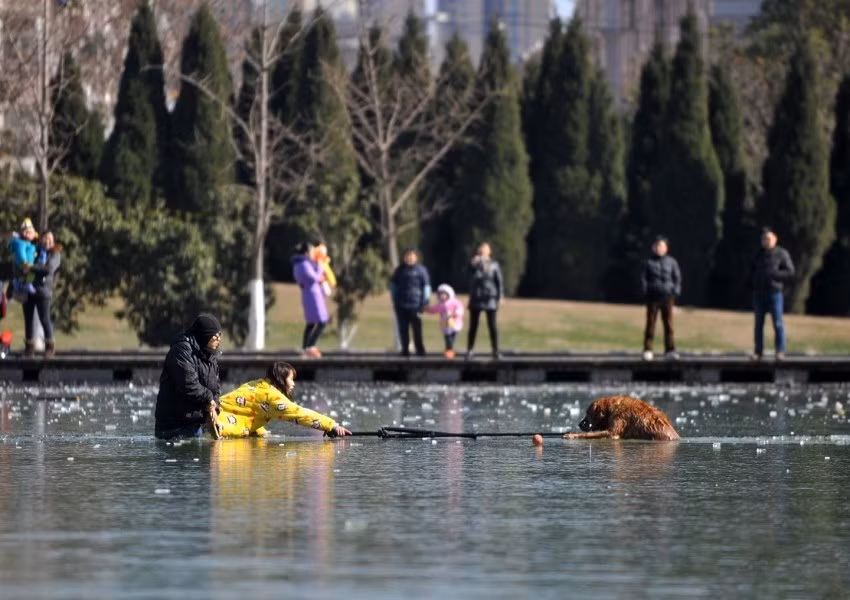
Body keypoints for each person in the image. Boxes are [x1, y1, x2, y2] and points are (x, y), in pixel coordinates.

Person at [215, 362, 352, 438]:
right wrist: (332, 425)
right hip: (217, 427)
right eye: (291, 379)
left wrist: (259, 432)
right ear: (281, 379)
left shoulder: (256, 385)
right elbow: (300, 414)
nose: (293, 384)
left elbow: (247, 412)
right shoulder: (272, 396)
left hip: (210, 416)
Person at [154, 314, 222, 440]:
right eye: (215, 336)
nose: (218, 339)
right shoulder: (181, 351)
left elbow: (215, 387)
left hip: (194, 425)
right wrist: (208, 398)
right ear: (205, 335)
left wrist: (214, 406)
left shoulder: (209, 356)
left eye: (220, 335)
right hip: (173, 429)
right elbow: (188, 384)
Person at [750, 227, 795, 360]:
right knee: (758, 323)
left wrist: (775, 275)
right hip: (759, 293)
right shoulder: (758, 254)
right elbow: (751, 270)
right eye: (763, 239)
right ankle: (758, 352)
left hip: (774, 293)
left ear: (775, 239)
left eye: (768, 239)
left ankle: (780, 351)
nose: (766, 242)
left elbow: (790, 271)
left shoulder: (781, 254)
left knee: (778, 322)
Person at [640, 235, 681, 361]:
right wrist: (645, 291)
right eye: (657, 246)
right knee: (650, 323)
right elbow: (643, 278)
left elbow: (677, 278)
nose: (659, 248)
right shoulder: (648, 262)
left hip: (667, 296)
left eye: (661, 246)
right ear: (653, 248)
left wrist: (675, 291)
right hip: (653, 296)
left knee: (669, 324)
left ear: (666, 248)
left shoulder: (672, 262)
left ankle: (670, 350)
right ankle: (648, 349)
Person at [24, 231, 61, 358]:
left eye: (50, 239)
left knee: (44, 319)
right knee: (28, 320)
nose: (47, 241)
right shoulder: (35, 251)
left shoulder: (55, 254)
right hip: (29, 289)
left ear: (53, 241)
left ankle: (49, 346)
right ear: (41, 240)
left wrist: (31, 267)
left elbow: (48, 269)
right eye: (45, 238)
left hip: (44, 292)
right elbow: (26, 262)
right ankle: (29, 347)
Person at [389, 248, 431, 356]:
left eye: (412, 256)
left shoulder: (421, 270)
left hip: (416, 305)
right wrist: (394, 300)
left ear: (416, 257)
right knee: (403, 329)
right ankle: (405, 350)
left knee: (417, 329)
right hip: (402, 304)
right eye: (408, 256)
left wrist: (425, 301)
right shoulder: (399, 270)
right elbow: (393, 286)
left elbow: (426, 286)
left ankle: (420, 350)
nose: (409, 258)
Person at [466, 242, 503, 359]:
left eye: (486, 249)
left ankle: (495, 350)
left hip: (490, 297)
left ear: (489, 251)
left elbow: (499, 281)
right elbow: (467, 274)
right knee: (473, 326)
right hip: (476, 297)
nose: (483, 250)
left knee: (492, 326)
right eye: (481, 248)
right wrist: (473, 264)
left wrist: (500, 296)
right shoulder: (474, 263)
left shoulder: (494, 265)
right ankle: (470, 350)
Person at [292, 242, 328, 358]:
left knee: (311, 322)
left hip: (311, 294)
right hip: (313, 295)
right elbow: (314, 277)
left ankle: (305, 348)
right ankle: (310, 346)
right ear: (306, 252)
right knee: (322, 322)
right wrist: (320, 267)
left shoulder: (301, 263)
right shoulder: (303, 264)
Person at [424, 283, 464, 359]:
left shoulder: (455, 302)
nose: (441, 296)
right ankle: (449, 352)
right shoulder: (440, 305)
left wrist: (455, 313)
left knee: (451, 339)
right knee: (448, 339)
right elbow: (434, 310)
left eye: (443, 294)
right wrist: (426, 309)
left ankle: (449, 351)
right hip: (445, 325)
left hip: (455, 324)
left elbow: (460, 309)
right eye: (440, 294)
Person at [7, 218, 38, 299]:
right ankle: (25, 284)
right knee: (31, 273)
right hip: (24, 264)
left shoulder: (30, 243)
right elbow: (21, 253)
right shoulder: (21, 243)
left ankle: (20, 284)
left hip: (28, 264)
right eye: (27, 232)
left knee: (23, 276)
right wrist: (24, 263)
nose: (30, 234)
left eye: (31, 233)